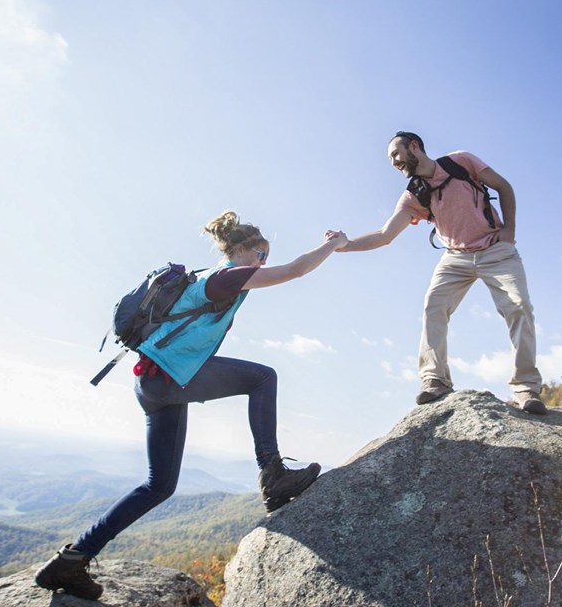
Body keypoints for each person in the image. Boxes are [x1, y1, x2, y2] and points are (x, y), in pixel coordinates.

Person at [35, 211, 348, 601]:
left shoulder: (208, 278)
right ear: (237, 250)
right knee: (263, 377)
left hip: (153, 380)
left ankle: (71, 559)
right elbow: (297, 270)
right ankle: (273, 473)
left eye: (266, 255)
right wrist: (333, 244)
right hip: (167, 376)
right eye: (259, 253)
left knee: (159, 485)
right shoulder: (224, 277)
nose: (262, 262)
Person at [334, 130, 545, 415]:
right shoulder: (414, 195)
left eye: (396, 154)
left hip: (496, 250)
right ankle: (435, 379)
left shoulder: (461, 162)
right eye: (390, 158)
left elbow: (504, 186)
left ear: (415, 146)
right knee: (433, 306)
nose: (394, 161)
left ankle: (526, 388)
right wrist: (345, 245)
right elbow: (385, 235)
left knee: (519, 306)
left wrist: (509, 232)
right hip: (455, 257)